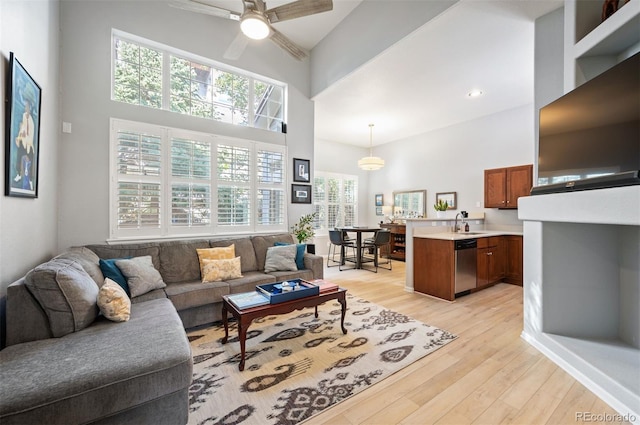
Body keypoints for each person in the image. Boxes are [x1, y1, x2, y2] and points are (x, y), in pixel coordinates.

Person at [13, 89, 35, 190]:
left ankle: (30, 180)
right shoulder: (23, 116)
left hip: (29, 143)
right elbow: (22, 129)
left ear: (30, 108)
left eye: (27, 106)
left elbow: (31, 134)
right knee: (19, 155)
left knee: (30, 158)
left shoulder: (31, 120)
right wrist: (20, 136)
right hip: (23, 141)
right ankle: (18, 174)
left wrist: (27, 136)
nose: (26, 108)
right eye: (25, 106)